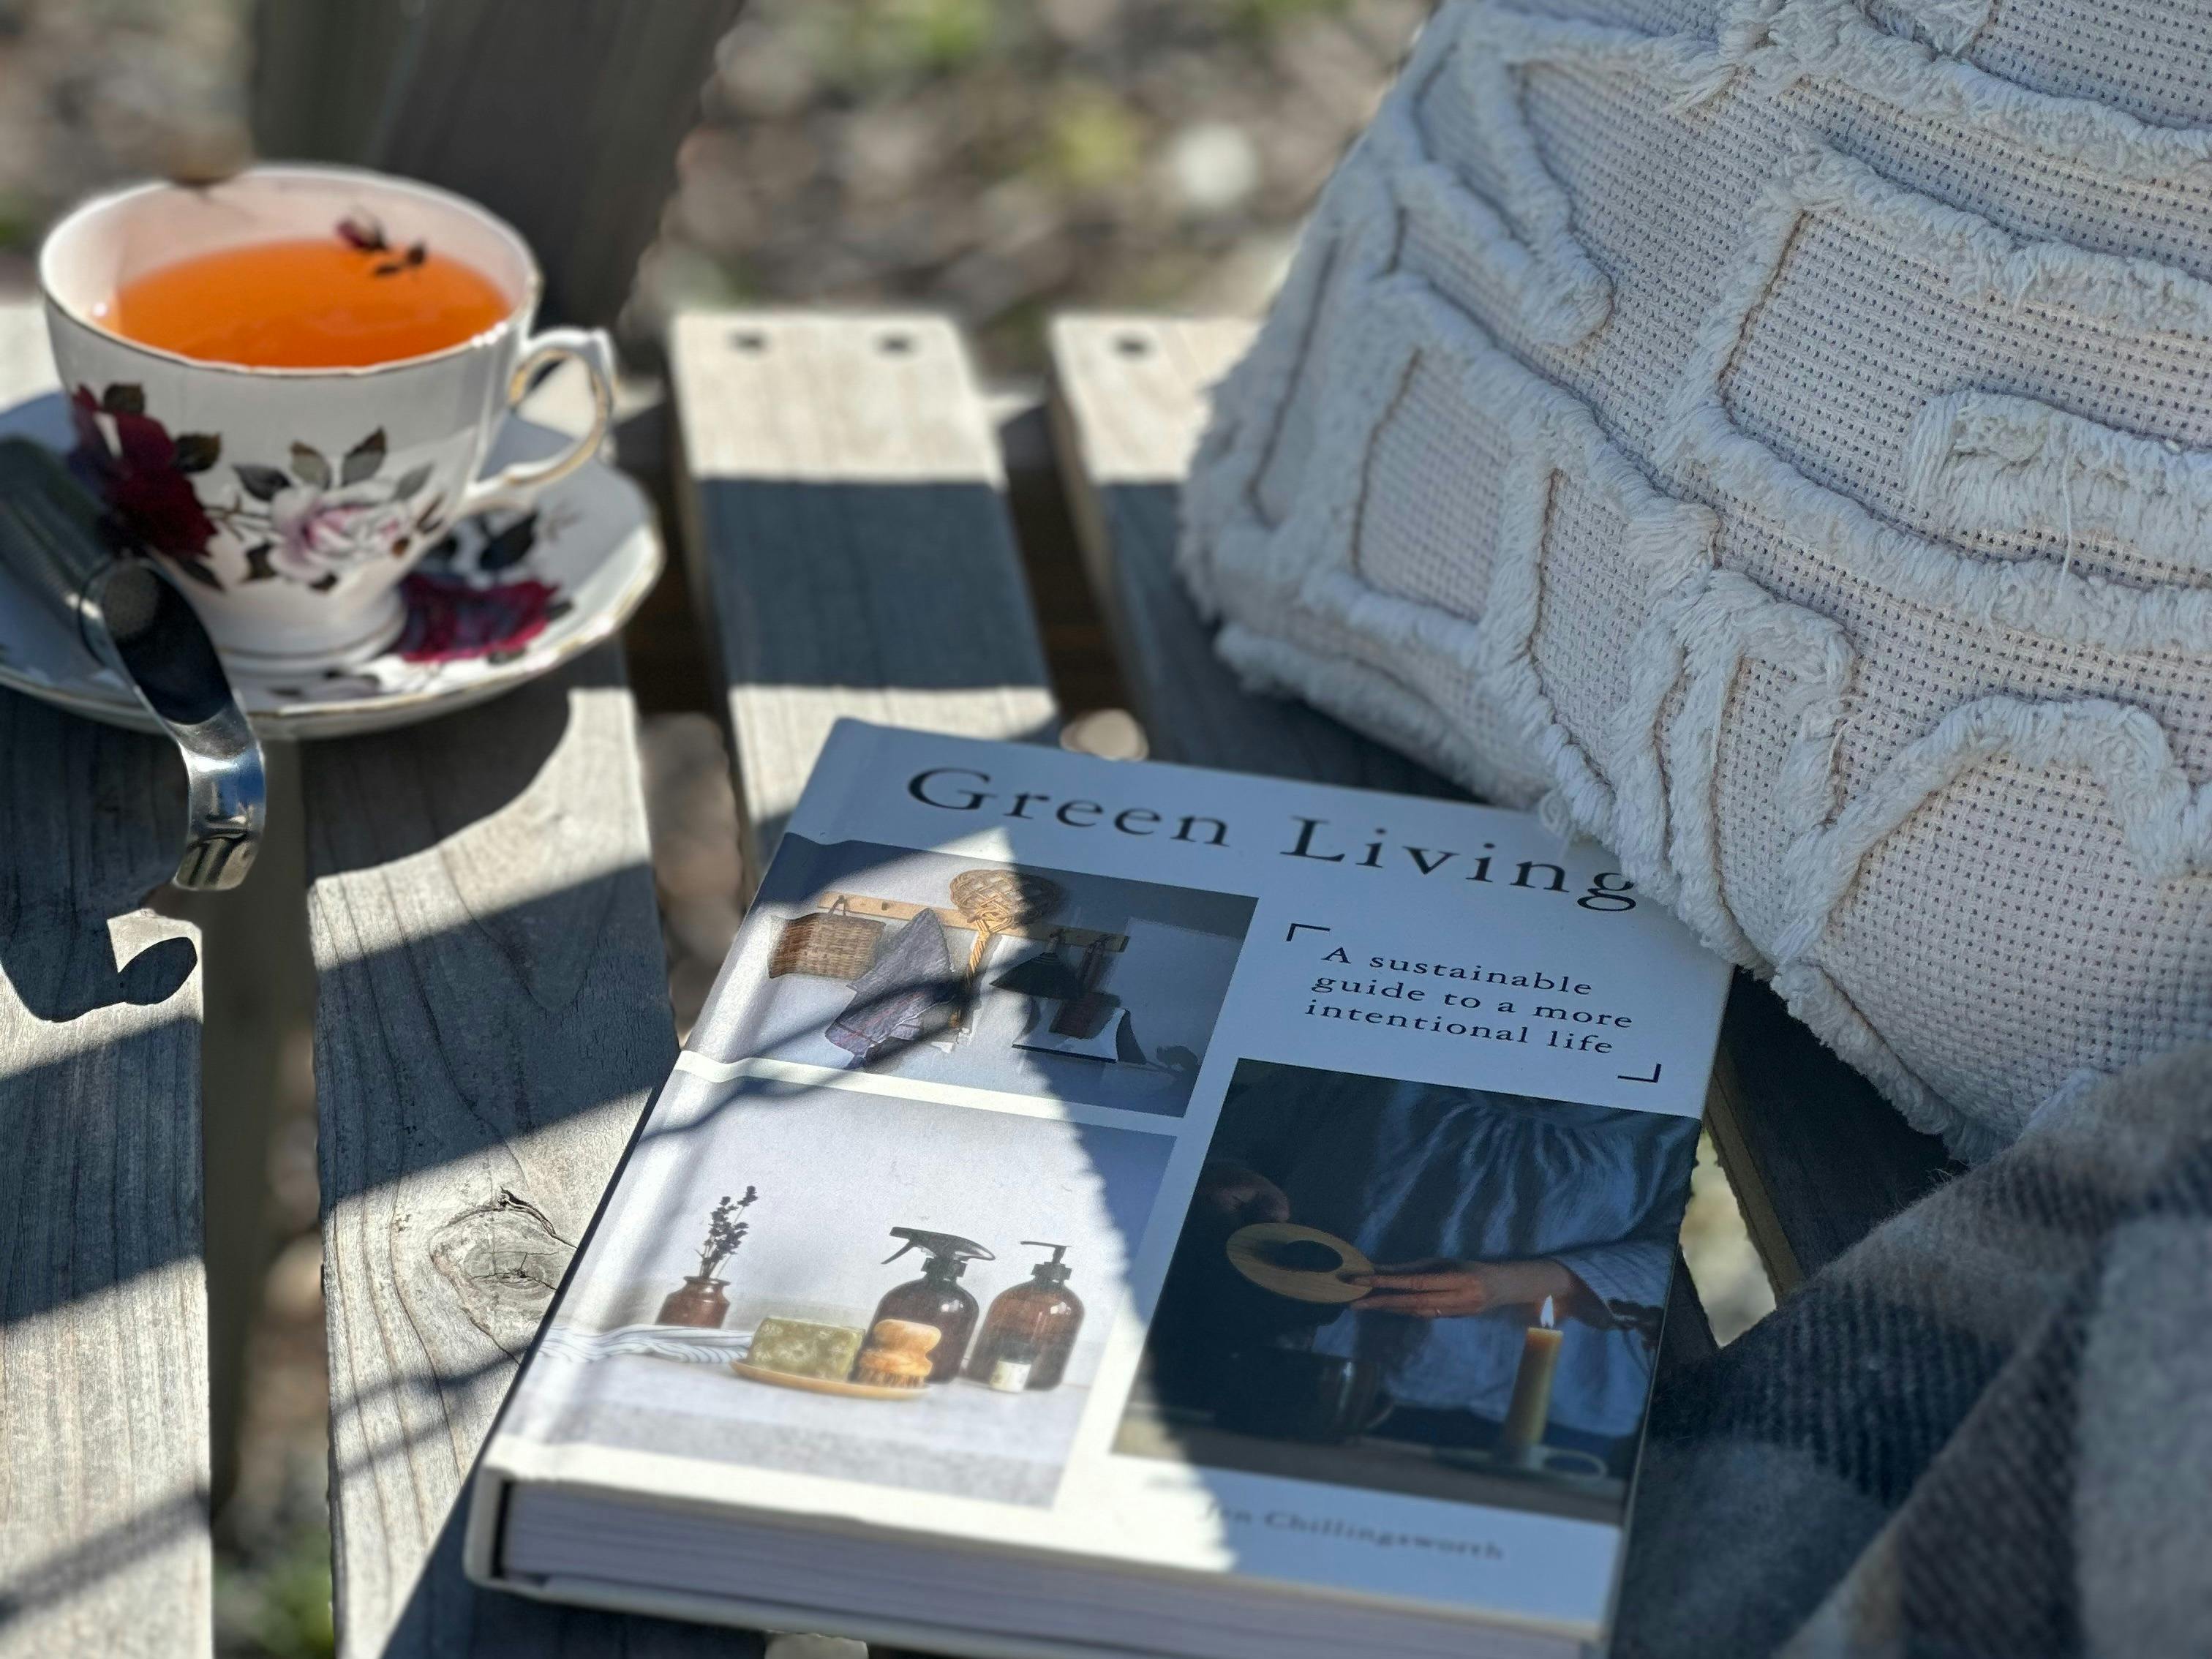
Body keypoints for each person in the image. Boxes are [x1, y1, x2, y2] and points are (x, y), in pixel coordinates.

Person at [1187, 1066, 1698, 1472]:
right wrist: (1226, 1179)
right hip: (1298, 1364)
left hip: (1536, 1411)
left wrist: (1508, 1285)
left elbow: (1674, 1258)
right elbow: (1214, 1139)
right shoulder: (1359, 1062)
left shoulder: (1673, 1122)